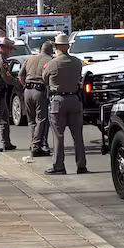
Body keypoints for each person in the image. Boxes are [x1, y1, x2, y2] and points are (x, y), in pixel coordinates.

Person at [41, 34, 87, 175]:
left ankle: (59, 166)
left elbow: (44, 78)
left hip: (58, 100)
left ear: (56, 47)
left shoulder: (52, 64)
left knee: (58, 135)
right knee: (78, 135)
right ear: (68, 46)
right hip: (74, 99)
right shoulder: (77, 62)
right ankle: (81, 165)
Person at [20, 40, 54, 157]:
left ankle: (34, 142)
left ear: (41, 50)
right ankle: (36, 146)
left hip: (27, 90)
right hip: (40, 91)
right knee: (42, 119)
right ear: (51, 51)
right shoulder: (50, 60)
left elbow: (20, 75)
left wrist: (24, 85)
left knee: (32, 120)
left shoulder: (30, 59)